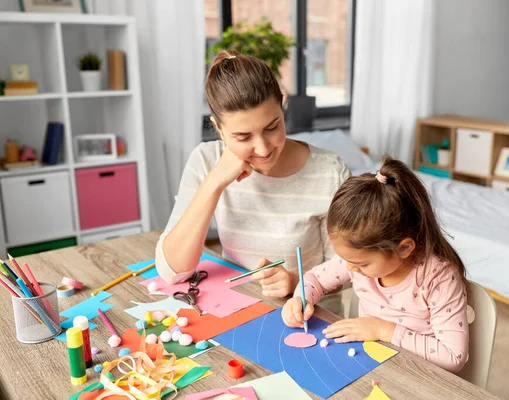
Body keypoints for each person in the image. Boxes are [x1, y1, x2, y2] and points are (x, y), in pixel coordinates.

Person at [155, 50, 350, 303]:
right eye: (243, 137)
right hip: (236, 311)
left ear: (282, 107)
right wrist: (215, 182)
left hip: (310, 318)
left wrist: (298, 282)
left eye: (272, 127)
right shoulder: (206, 160)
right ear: (219, 129)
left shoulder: (329, 172)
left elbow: (351, 266)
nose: (263, 148)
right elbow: (173, 271)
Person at [282, 157, 469, 372]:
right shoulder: (356, 260)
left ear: (404, 248)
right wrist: (300, 299)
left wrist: (383, 330)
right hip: (369, 367)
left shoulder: (438, 278)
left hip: (418, 377)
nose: (350, 268)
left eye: (361, 264)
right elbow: (314, 279)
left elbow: (454, 357)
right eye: (347, 260)